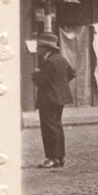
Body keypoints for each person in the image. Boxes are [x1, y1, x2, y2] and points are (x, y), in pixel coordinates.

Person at [32, 32, 75, 168]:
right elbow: (72, 73)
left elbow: (39, 80)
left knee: (48, 128)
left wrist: (36, 73)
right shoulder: (61, 59)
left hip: (48, 99)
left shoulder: (48, 62)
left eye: (39, 47)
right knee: (57, 126)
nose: (37, 50)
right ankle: (61, 156)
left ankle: (52, 158)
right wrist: (60, 85)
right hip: (60, 99)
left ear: (46, 48)